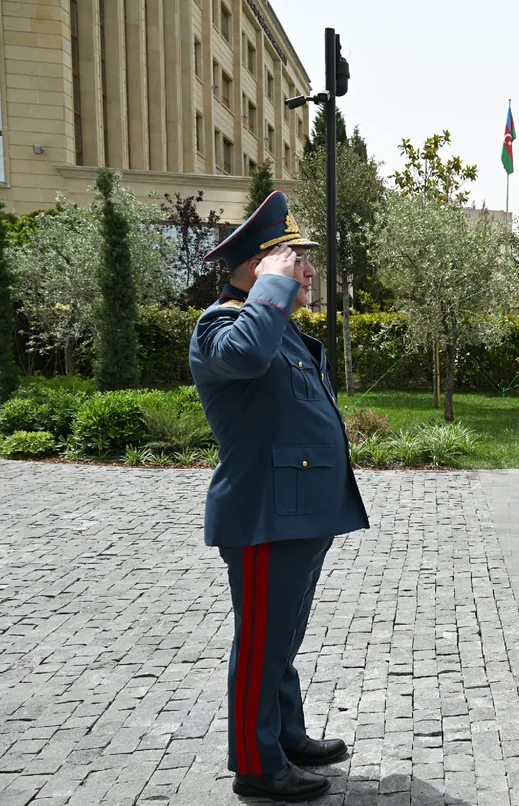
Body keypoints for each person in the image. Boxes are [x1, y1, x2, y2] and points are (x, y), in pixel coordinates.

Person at [189, 191, 369, 802]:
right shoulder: (221, 325)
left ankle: (285, 734)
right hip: (265, 513)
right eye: (296, 260)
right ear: (258, 268)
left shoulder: (278, 330)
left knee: (281, 637)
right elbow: (243, 356)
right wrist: (268, 289)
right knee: (262, 640)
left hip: (298, 512)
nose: (309, 271)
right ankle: (256, 764)